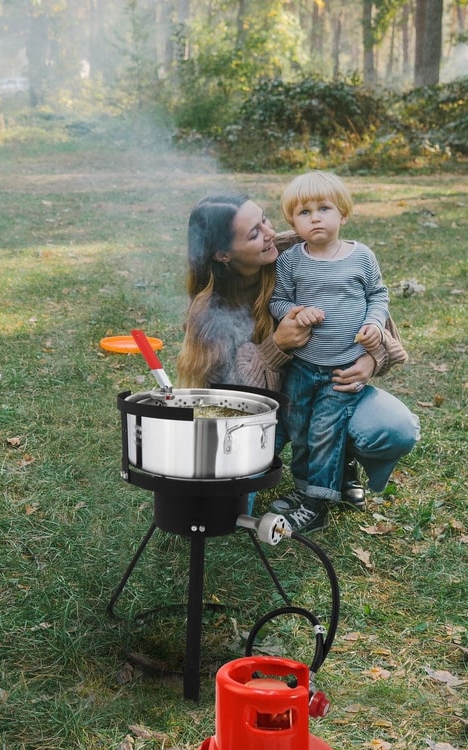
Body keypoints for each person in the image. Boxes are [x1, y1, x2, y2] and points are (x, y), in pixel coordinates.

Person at [176, 192, 418, 529]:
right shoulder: (210, 313)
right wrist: (277, 346)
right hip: (264, 414)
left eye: (265, 219)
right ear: (223, 254)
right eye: (254, 233)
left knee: (394, 429)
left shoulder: (299, 249)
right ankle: (276, 468)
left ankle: (341, 459)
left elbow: (368, 309)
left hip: (330, 386)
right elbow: (236, 397)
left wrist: (370, 360)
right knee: (220, 511)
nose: (269, 233)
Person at [268, 170, 393, 533]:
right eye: (304, 212)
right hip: (303, 366)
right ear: (292, 221)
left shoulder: (361, 257)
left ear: (344, 214)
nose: (315, 217)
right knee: (299, 429)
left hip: (342, 369)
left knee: (325, 430)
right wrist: (294, 313)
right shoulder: (291, 260)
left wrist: (374, 325)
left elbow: (378, 295)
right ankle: (305, 490)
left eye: (324, 208)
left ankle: (318, 505)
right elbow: (278, 302)